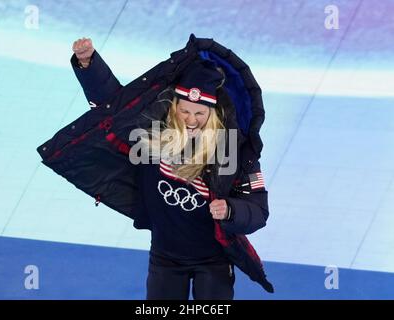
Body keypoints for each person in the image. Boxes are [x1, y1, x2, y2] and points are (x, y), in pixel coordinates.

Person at [39, 35, 273, 300]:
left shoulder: (233, 148)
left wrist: (230, 210)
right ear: (174, 108)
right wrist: (88, 64)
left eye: (200, 114)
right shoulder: (151, 135)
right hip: (164, 258)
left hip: (214, 260)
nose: (192, 120)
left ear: (212, 113)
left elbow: (258, 210)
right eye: (185, 112)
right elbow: (113, 108)